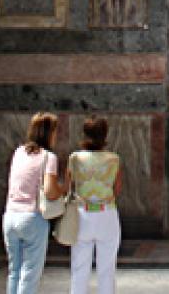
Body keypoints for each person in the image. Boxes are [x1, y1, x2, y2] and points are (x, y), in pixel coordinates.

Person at [3, 112, 63, 294]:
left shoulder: (18, 152)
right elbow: (50, 191)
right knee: (29, 273)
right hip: (32, 217)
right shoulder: (48, 157)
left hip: (10, 217)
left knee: (14, 271)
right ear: (49, 133)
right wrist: (64, 189)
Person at [67, 116, 123, 294]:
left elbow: (69, 186)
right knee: (106, 270)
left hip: (81, 214)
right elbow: (117, 189)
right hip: (106, 214)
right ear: (105, 134)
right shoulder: (113, 159)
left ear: (85, 134)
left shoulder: (75, 158)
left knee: (79, 268)